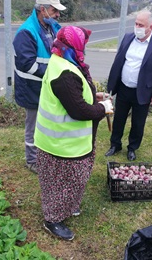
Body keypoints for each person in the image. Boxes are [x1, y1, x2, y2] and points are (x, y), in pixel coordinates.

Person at [34, 26, 113, 241]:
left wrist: (95, 97)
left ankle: (67, 207)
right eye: (82, 45)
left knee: (72, 180)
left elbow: (75, 96)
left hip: (67, 141)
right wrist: (103, 108)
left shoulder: (63, 60)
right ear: (73, 46)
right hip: (61, 143)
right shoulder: (65, 73)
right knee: (63, 182)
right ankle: (52, 219)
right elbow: (78, 110)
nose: (84, 50)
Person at [106, 11, 152, 161]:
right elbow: (118, 62)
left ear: (150, 27)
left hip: (143, 91)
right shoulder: (128, 38)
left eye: (141, 25)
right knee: (119, 118)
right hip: (123, 87)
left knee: (138, 122)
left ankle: (132, 148)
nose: (137, 27)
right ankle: (115, 144)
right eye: (136, 24)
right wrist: (112, 86)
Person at [13, 0, 64, 173]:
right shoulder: (26, 32)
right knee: (33, 124)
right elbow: (27, 64)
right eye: (54, 10)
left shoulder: (53, 27)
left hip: (46, 85)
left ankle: (45, 155)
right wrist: (54, 73)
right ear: (42, 9)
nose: (58, 14)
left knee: (48, 122)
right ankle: (32, 160)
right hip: (31, 87)